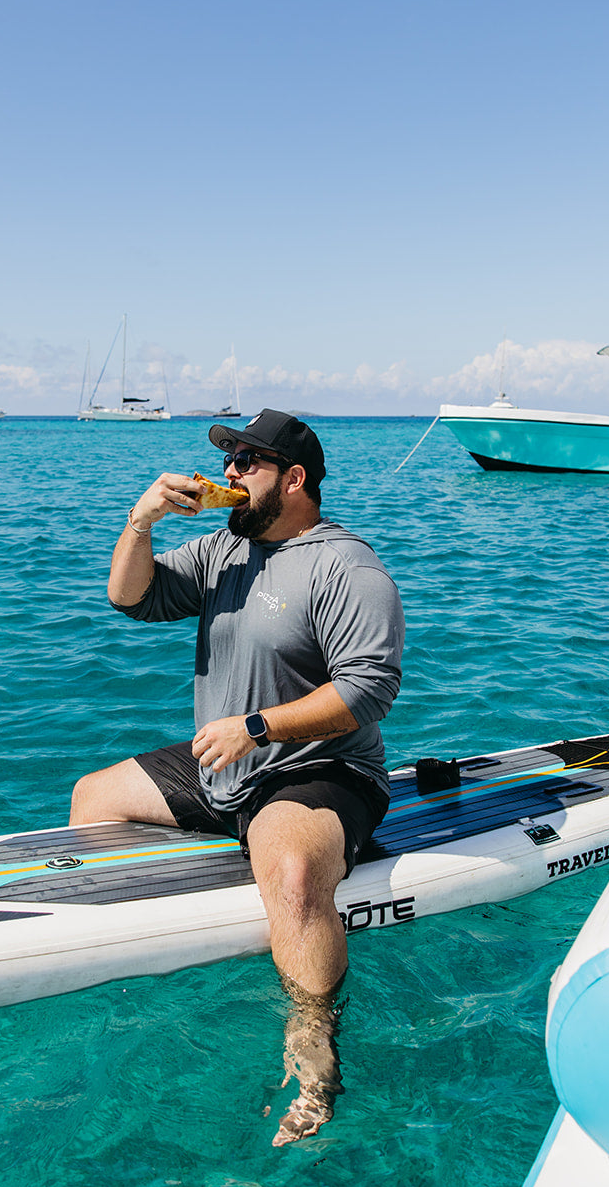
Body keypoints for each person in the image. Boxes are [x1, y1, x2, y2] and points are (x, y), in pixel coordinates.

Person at [70, 409, 404, 1144]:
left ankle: (315, 1053)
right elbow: (131, 599)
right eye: (227, 460)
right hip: (224, 765)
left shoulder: (344, 565)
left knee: (289, 877)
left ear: (293, 479)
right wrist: (141, 520)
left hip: (320, 767)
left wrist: (256, 726)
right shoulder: (222, 549)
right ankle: (129, 941)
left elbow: (368, 689)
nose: (227, 472)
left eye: (246, 461)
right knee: (93, 795)